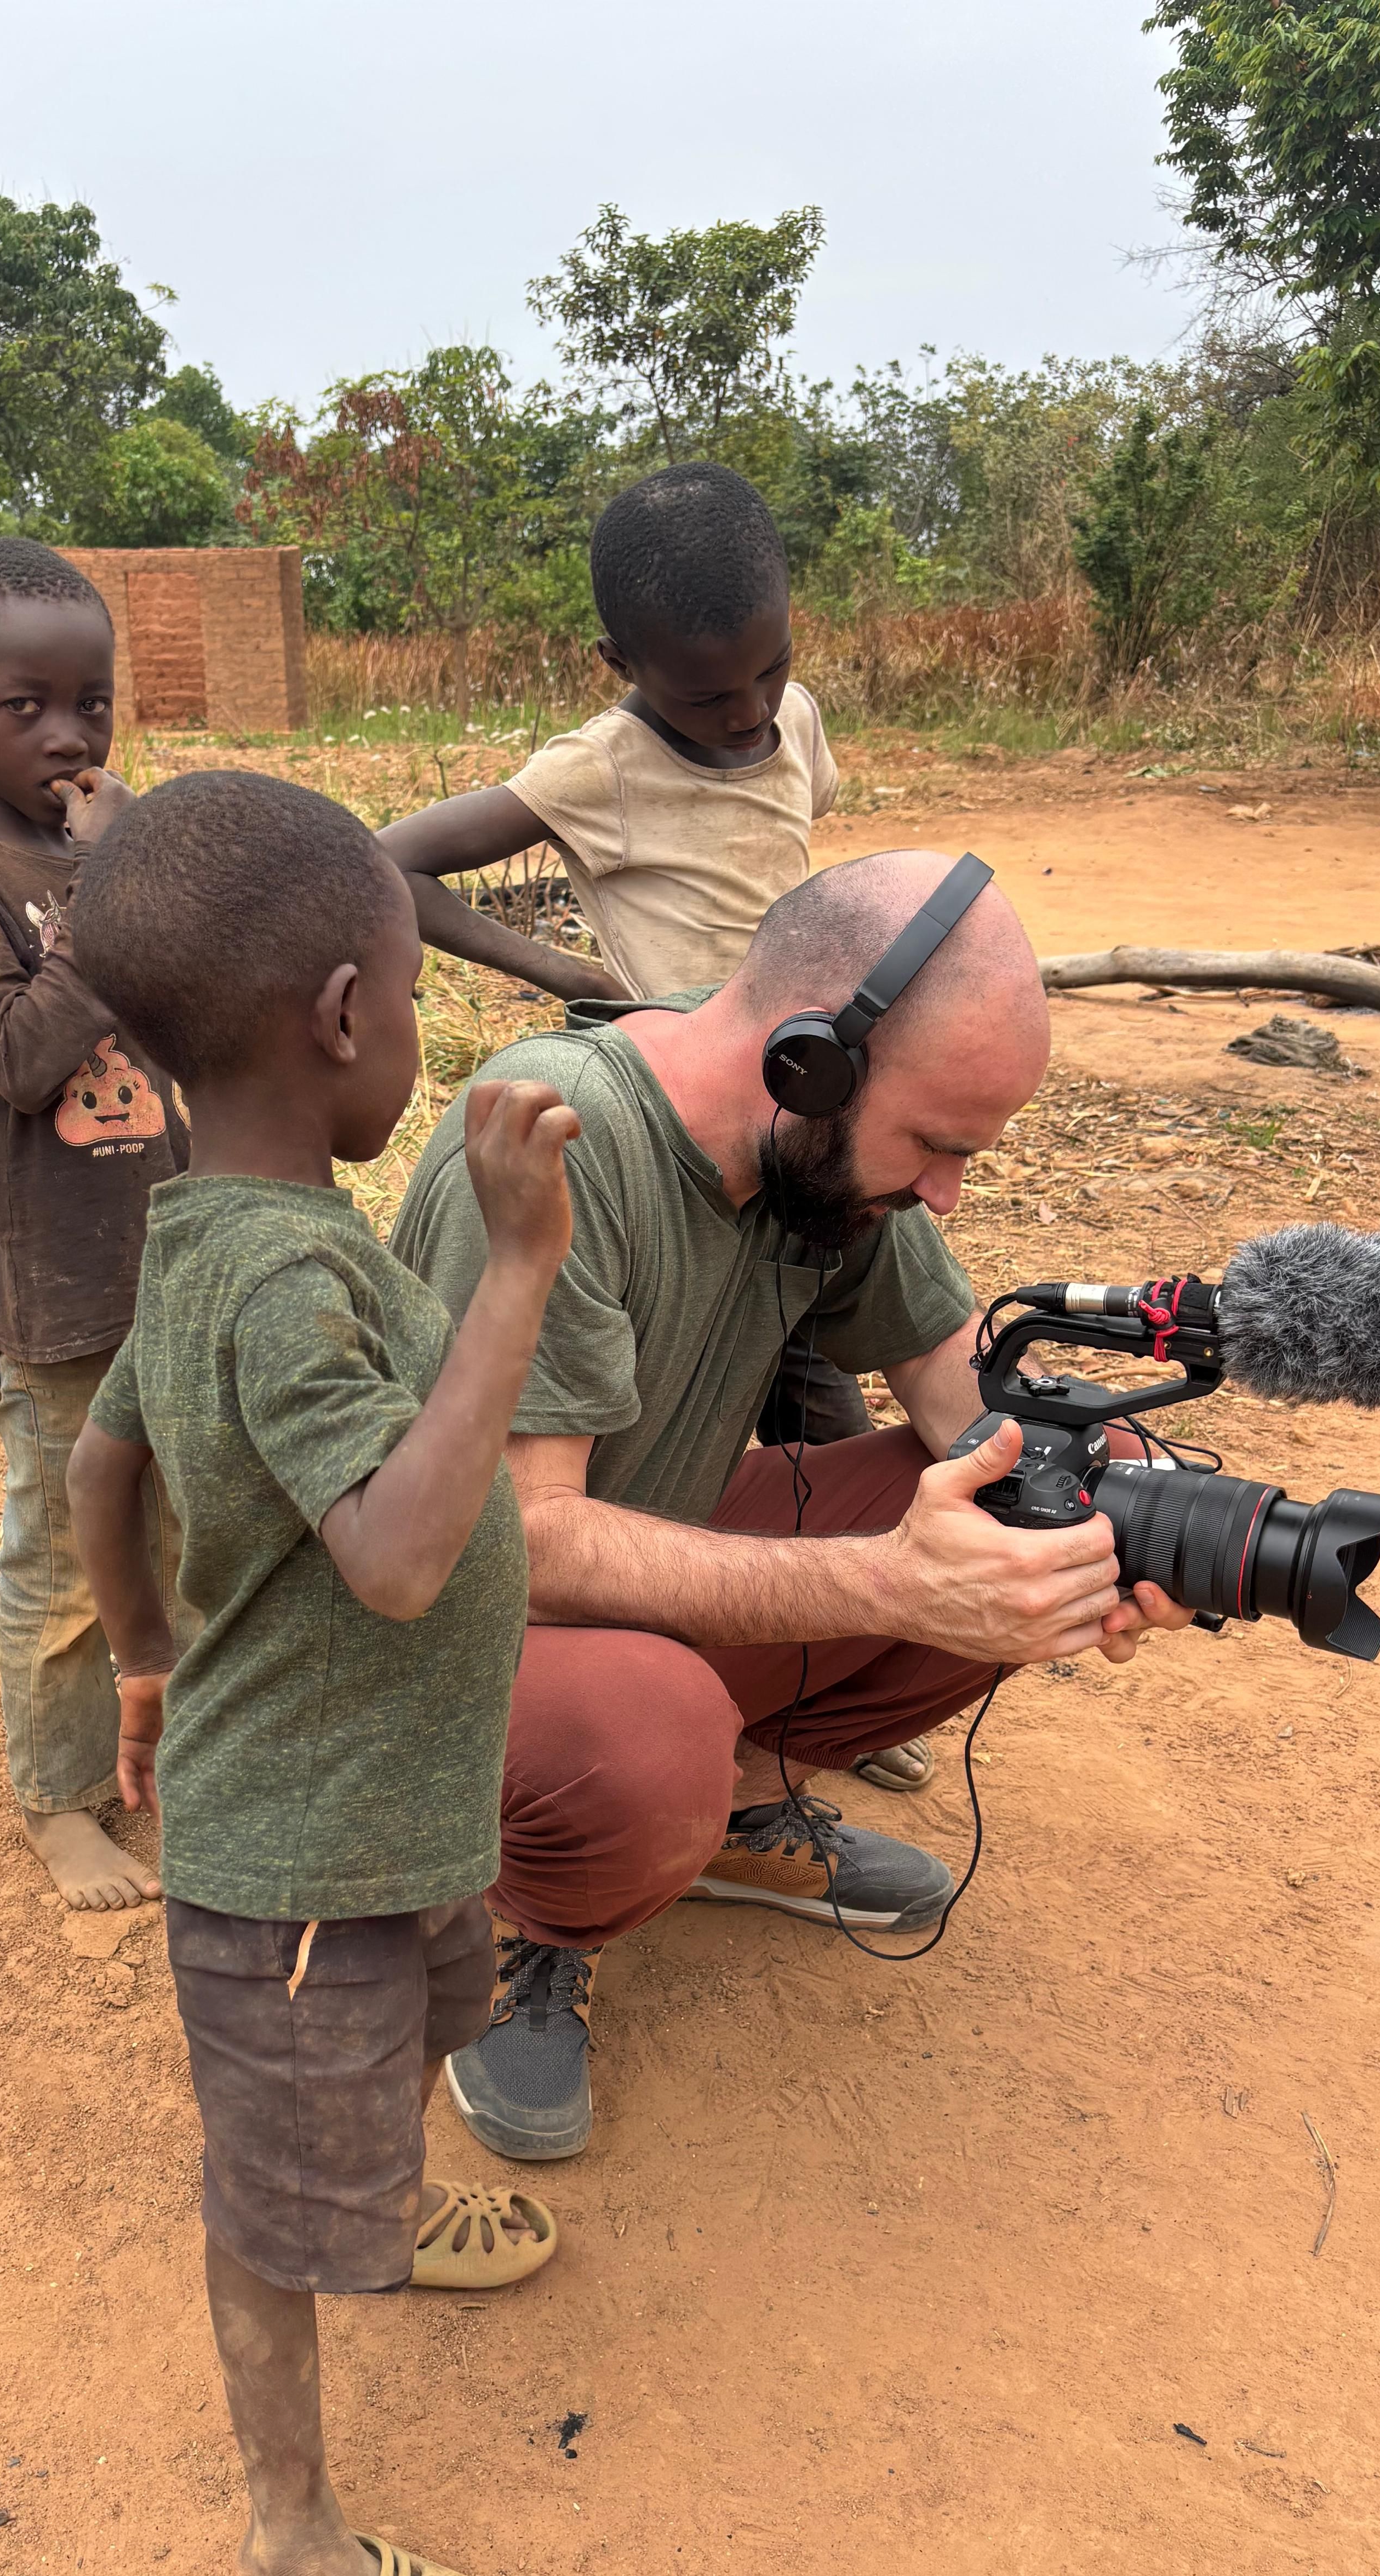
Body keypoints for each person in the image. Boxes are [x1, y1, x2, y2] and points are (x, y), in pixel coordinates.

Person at [392, 848, 1194, 2162]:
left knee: (1007, 1515)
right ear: (808, 1061)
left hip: (630, 1570)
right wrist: (887, 1583)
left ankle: (731, 1817)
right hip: (442, 1636)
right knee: (649, 1741)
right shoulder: (554, 1141)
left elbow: (964, 1410)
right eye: (937, 1145)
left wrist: (1127, 1512)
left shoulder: (819, 1148)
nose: (946, 1192)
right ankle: (517, 1917)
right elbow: (517, 1545)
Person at [64, 769, 581, 2576]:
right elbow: (393, 1555)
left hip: (382, 1827)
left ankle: (406, 2194)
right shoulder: (283, 1280)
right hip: (291, 1882)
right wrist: (518, 1268)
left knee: (426, 2017)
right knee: (274, 2205)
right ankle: (287, 2540)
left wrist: (139, 1656)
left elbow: (111, 1452)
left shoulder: (217, 1235)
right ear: (348, 1018)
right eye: (416, 993)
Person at [379, 459, 930, 1793]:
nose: (744, 717)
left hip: (804, 1103)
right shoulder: (600, 767)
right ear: (617, 659)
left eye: (765, 674)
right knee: (642, 1402)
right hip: (664, 1115)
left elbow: (792, 856)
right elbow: (386, 860)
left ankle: (802, 1672)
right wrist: (564, 973)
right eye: (704, 695)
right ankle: (624, 1695)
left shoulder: (793, 718)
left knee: (816, 1381)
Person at [0, 534, 181, 1915]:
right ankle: (60, 1796)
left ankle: (152, 1752)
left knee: (175, 1526)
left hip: (176, 1254)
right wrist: (107, 897)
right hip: (64, 1282)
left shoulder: (108, 849)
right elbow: (17, 1055)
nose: (71, 735)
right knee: (69, 1555)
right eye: (27, 706)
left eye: (95, 703)